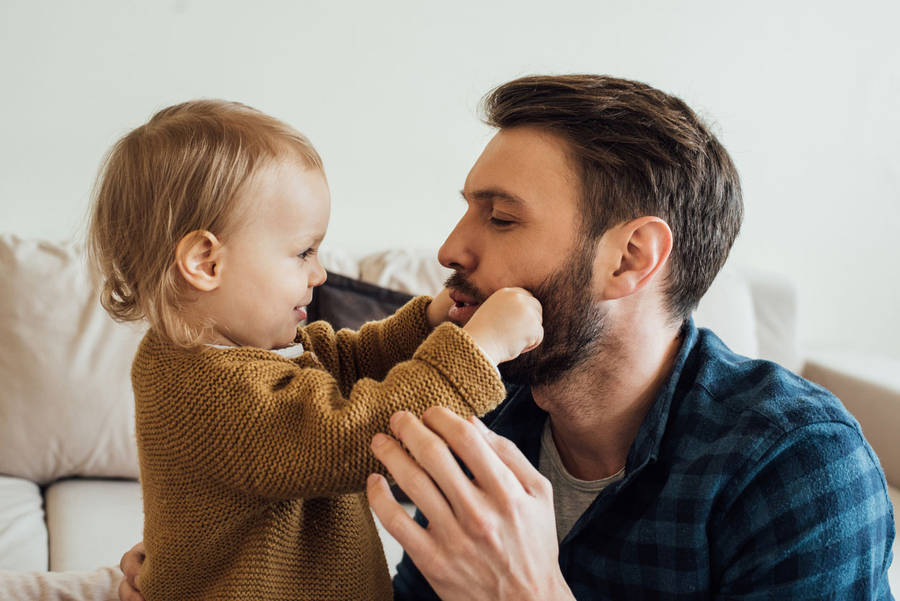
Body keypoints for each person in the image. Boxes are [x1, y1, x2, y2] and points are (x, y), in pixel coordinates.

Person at [120, 76, 896, 600]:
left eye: (500, 216)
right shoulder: (478, 412)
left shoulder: (796, 467)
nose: (451, 249)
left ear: (630, 257)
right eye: (466, 211)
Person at [88, 99, 543, 601]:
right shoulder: (202, 386)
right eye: (304, 252)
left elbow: (345, 364)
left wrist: (428, 323)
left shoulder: (243, 352)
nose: (319, 273)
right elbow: (354, 433)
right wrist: (478, 349)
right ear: (206, 262)